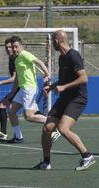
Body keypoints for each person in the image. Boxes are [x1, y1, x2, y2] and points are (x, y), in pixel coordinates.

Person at [33, 30, 96, 170]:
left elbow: (84, 78)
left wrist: (63, 87)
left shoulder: (74, 56)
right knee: (47, 128)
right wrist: (52, 87)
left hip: (77, 98)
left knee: (62, 128)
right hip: (65, 98)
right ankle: (46, 162)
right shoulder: (62, 58)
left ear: (57, 41)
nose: (51, 44)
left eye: (52, 41)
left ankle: (87, 156)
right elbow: (63, 80)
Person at [6, 35, 50, 143]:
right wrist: (12, 93)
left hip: (29, 89)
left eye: (16, 46)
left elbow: (39, 62)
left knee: (29, 116)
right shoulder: (16, 60)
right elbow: (17, 79)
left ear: (21, 46)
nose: (14, 49)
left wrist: (47, 74)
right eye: (13, 47)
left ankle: (53, 122)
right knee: (11, 111)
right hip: (23, 89)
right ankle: (18, 136)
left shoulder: (25, 54)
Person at [0, 37, 19, 141]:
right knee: (29, 113)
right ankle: (12, 135)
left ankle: (4, 133)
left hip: (22, 88)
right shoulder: (12, 58)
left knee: (2, 105)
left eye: (11, 47)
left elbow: (14, 78)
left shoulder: (16, 58)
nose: (9, 49)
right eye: (6, 47)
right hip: (20, 88)